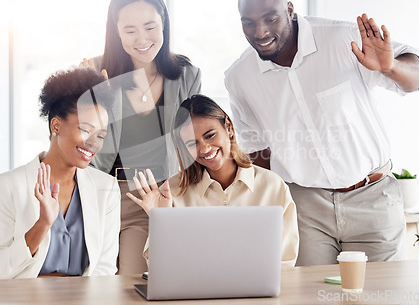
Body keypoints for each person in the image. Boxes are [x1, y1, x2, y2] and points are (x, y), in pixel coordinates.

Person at [224, 0, 419, 266]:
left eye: (270, 18)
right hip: (304, 208)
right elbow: (258, 153)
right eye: (248, 22)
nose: (260, 31)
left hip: (372, 197)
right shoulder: (240, 77)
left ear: (290, 10)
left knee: (384, 294)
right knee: (311, 295)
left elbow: (418, 76)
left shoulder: (342, 39)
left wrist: (391, 66)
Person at [83, 0, 201, 274]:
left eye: (150, 27)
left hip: (149, 198)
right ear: (116, 31)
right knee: (88, 288)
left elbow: (192, 146)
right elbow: (80, 142)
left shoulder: (186, 75)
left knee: (132, 284)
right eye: (130, 30)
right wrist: (98, 95)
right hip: (98, 196)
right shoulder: (94, 71)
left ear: (164, 25)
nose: (142, 39)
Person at [0, 67, 120, 279]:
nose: (93, 143)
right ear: (56, 125)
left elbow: (105, 270)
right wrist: (41, 225)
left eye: (101, 134)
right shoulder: (9, 185)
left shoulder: (106, 189)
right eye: (86, 129)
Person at [127, 94, 299, 268]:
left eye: (210, 135)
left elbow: (285, 262)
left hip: (258, 292)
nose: (205, 148)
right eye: (192, 143)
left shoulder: (273, 186)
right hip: (194, 292)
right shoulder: (172, 191)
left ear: (229, 127)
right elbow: (160, 268)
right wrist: (162, 220)